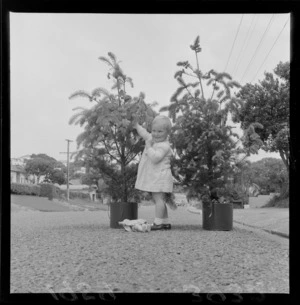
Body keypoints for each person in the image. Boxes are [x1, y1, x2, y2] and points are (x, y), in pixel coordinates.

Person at [133, 115, 177, 231]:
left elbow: (155, 158)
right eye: (154, 131)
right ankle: (165, 222)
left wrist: (148, 147)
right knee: (160, 199)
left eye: (160, 131)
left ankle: (158, 222)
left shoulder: (164, 146)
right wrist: (136, 125)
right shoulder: (153, 139)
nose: (156, 134)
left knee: (159, 200)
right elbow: (145, 134)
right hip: (157, 177)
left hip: (161, 177)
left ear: (167, 133)